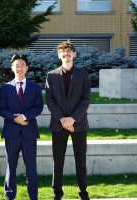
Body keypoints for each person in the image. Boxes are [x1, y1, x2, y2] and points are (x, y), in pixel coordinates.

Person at [45, 41, 91, 200]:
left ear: (74, 54)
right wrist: (63, 119)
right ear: (59, 55)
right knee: (58, 162)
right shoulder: (51, 75)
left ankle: (83, 193)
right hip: (58, 125)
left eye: (69, 52)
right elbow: (50, 100)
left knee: (81, 161)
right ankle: (57, 194)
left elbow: (86, 100)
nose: (66, 54)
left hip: (78, 125)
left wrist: (72, 119)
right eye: (63, 52)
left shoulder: (83, 74)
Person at [0, 54, 43, 200]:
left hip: (29, 132)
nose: (19, 68)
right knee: (11, 166)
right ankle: (9, 195)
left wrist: (24, 117)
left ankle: (33, 196)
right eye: (16, 65)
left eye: (22, 65)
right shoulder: (5, 88)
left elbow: (38, 107)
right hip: (11, 133)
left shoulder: (35, 87)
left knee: (31, 167)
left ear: (27, 68)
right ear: (12, 68)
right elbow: (2, 110)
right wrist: (16, 118)